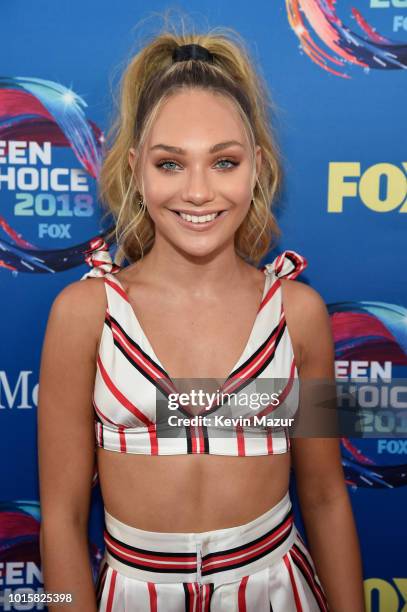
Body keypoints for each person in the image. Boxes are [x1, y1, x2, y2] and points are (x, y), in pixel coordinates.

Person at [37, 20, 365, 612]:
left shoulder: (301, 313)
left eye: (223, 162)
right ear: (136, 169)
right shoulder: (83, 315)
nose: (197, 191)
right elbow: (59, 521)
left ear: (256, 167)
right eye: (170, 164)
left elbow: (324, 496)